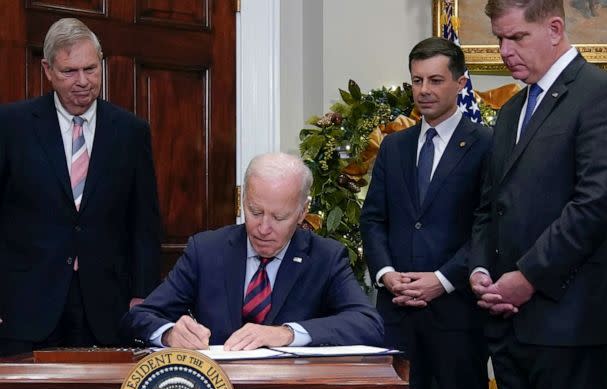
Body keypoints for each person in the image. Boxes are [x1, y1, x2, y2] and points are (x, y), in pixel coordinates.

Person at [469, 1, 607, 389]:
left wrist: (528, 277)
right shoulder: (512, 109)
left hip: (570, 327)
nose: (504, 51)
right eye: (499, 39)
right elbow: (489, 205)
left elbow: (595, 203)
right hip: (508, 325)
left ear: (554, 29)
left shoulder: (596, 94)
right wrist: (480, 267)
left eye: (517, 37)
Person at [0, 18, 161, 356]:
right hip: (25, 305)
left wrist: (144, 296)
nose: (83, 82)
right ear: (47, 69)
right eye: (69, 71)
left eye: (91, 68)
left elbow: (144, 222)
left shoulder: (131, 132)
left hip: (107, 306)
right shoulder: (11, 126)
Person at [121, 152, 383, 350]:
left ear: (302, 213)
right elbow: (140, 316)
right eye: (255, 212)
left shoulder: (325, 257)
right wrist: (169, 334)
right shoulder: (206, 250)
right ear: (243, 200)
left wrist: (286, 333)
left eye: (279, 217)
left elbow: (367, 324)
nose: (263, 228)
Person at [360, 37, 491, 389]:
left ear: (460, 83)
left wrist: (443, 280)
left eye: (435, 80)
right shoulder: (393, 146)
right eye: (417, 81)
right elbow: (373, 219)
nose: (424, 91)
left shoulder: (486, 144)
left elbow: (489, 226)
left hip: (457, 315)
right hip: (397, 315)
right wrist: (386, 273)